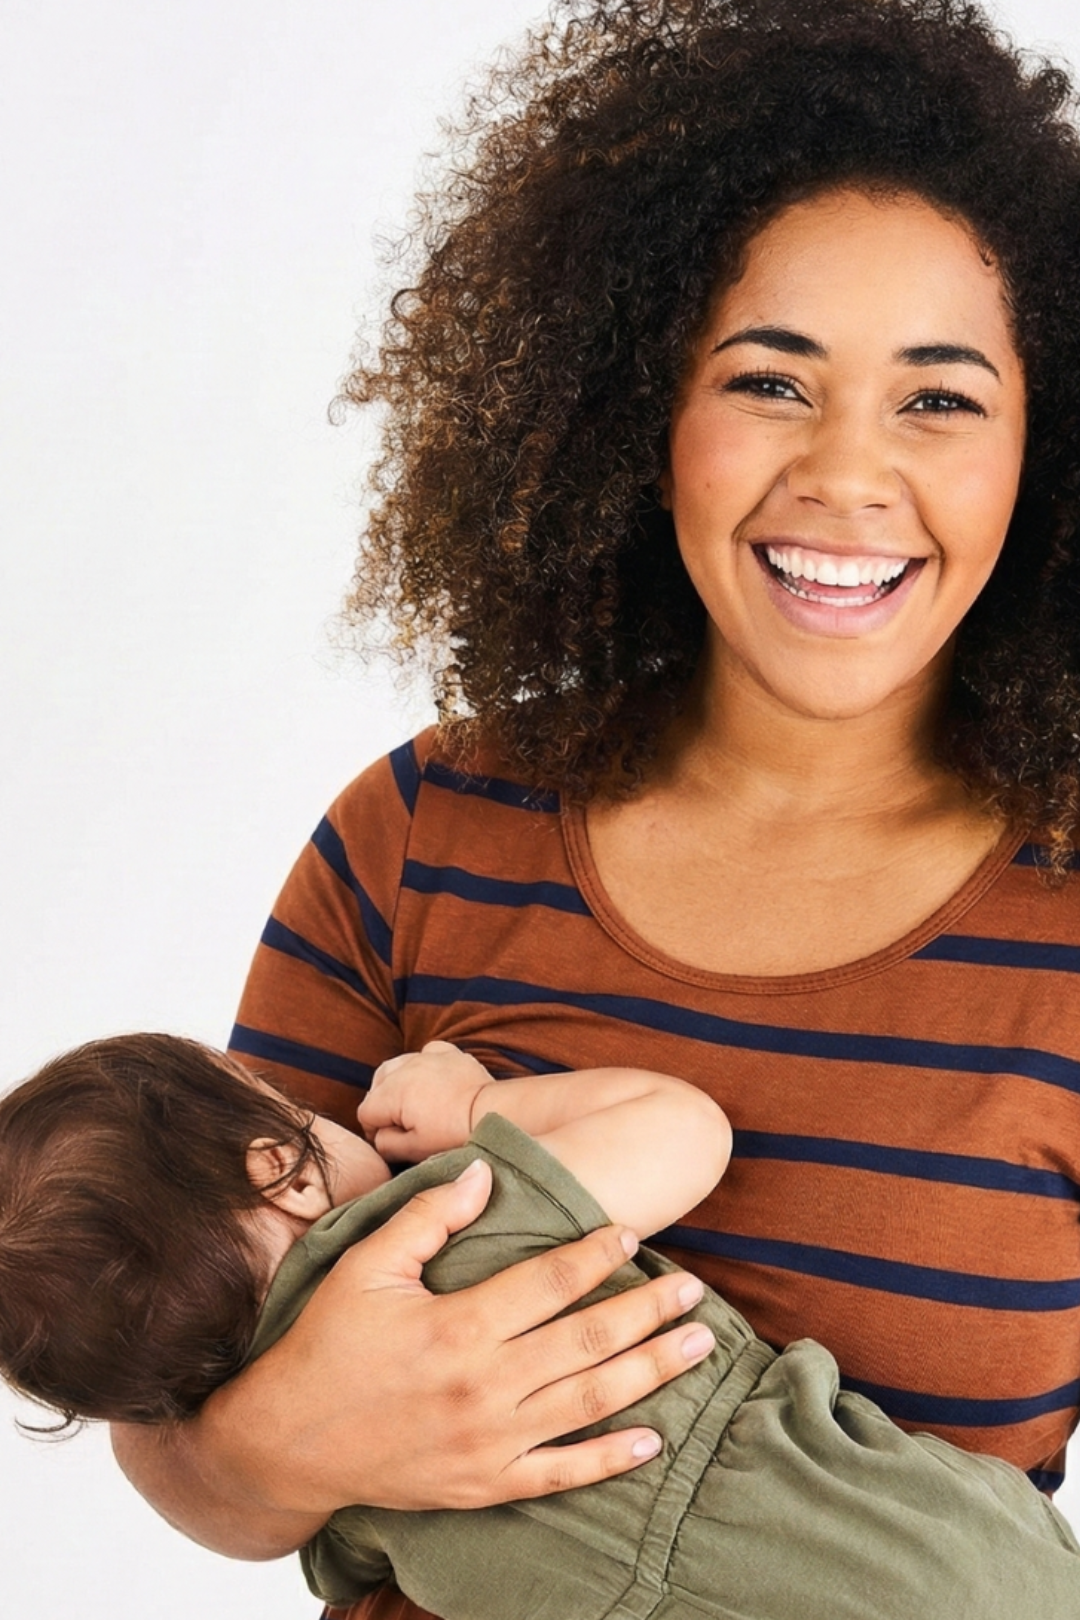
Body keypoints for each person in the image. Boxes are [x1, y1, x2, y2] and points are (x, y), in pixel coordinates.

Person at [108, 3, 1080, 1618]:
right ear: (643, 418)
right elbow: (183, 1414)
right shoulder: (424, 832)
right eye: (770, 380)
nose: (847, 475)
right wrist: (300, 1435)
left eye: (939, 399)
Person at [2, 1033, 1078, 1619]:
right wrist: (474, 1112)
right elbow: (681, 1131)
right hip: (903, 1562)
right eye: (291, 1107)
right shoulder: (443, 1222)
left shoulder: (342, 1513)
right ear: (278, 1166)